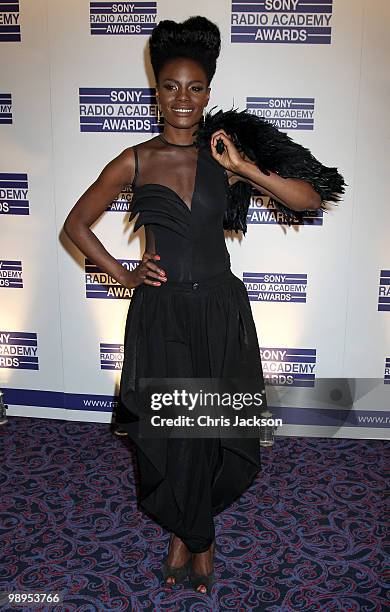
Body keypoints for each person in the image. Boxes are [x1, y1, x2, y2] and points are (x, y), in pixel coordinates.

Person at [63, 16, 343, 595]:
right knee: (174, 430)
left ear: (208, 92)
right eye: (170, 86)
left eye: (194, 87)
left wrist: (243, 168)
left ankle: (197, 536)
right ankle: (190, 532)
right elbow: (76, 224)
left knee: (212, 426)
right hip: (162, 313)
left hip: (220, 310)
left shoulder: (226, 151)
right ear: (156, 91)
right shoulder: (135, 160)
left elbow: (310, 198)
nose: (182, 98)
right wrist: (123, 273)